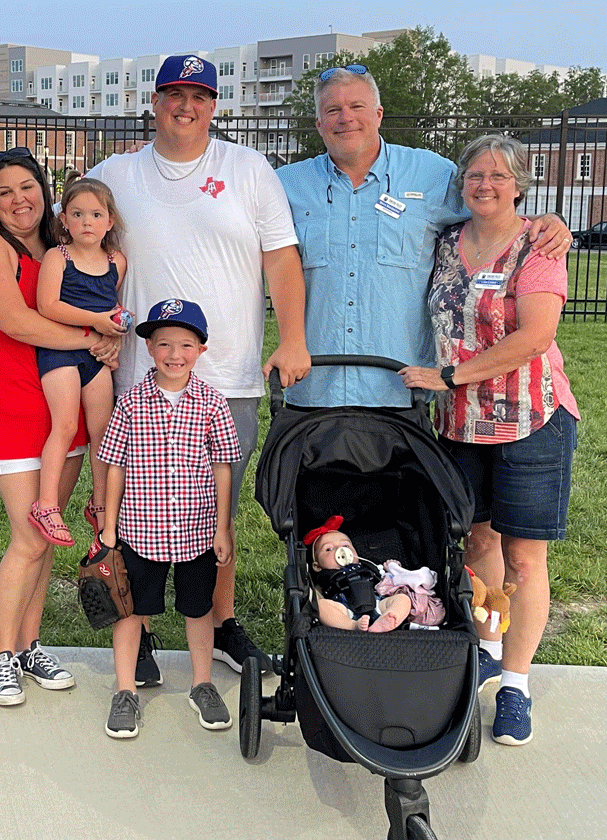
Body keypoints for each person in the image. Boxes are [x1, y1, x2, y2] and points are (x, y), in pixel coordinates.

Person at [85, 54, 309, 682]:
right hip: (138, 372)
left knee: (215, 507)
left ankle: (222, 617)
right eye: (175, 94)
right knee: (132, 509)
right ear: (154, 101)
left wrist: (292, 337)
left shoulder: (247, 169)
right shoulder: (116, 174)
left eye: (201, 96)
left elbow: (282, 261)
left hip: (226, 372)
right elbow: (71, 248)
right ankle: (143, 627)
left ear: (216, 106)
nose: (187, 106)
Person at [400, 134, 580, 746]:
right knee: (478, 543)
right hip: (460, 426)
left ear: (520, 184)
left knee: (526, 558)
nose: (485, 185)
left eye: (499, 176)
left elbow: (534, 336)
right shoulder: (447, 241)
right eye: (475, 174)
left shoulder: (539, 244)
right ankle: (487, 648)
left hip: (532, 418)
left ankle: (516, 685)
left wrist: (449, 375)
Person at [276, 64, 573, 410]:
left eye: (357, 107)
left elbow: (489, 201)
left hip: (399, 391)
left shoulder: (432, 175)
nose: (346, 118)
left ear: (378, 114)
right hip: (313, 390)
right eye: (333, 110)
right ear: (318, 123)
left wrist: (548, 220)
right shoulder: (285, 185)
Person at [0, 146, 122, 706]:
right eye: (3, 191)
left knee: (46, 538)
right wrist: (95, 341)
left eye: (27, 186)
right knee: (27, 537)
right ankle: (1, 656)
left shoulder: (57, 248)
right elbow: (17, 321)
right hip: (8, 409)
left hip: (58, 407)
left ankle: (29, 645)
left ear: (45, 190)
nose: (18, 199)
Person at [98, 299, 242, 738]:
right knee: (130, 612)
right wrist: (109, 527)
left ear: (201, 349)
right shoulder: (130, 403)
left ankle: (202, 683)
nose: (173, 354)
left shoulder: (212, 404)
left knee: (198, 610)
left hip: (196, 533)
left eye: (184, 344)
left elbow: (223, 466)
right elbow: (114, 464)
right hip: (140, 532)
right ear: (148, 349)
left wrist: (221, 527)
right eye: (163, 344)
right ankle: (125, 692)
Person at [32, 177, 129, 546]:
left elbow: (111, 304)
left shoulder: (115, 261)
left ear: (110, 221)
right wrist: (96, 323)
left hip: (96, 358)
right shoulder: (59, 257)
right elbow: (48, 305)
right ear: (64, 221)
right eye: (77, 214)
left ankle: (101, 503)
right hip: (60, 351)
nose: (87, 222)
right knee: (67, 423)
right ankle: (46, 503)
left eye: (95, 214)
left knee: (102, 431)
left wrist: (118, 324)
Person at [304, 518, 412, 633]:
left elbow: (386, 580)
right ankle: (353, 625)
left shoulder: (367, 565)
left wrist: (392, 568)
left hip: (377, 604)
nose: (340, 551)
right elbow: (315, 595)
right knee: (322, 606)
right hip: (344, 609)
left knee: (403, 599)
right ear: (317, 566)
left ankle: (388, 619)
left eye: (346, 546)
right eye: (329, 549)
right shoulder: (323, 577)